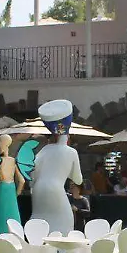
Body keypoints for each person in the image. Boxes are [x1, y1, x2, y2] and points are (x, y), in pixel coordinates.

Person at [30, 100, 83, 235]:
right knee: (65, 220)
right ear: (68, 136)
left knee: (39, 218)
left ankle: (36, 244)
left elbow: (32, 175)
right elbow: (78, 179)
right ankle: (61, 249)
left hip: (38, 190)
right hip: (55, 188)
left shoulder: (44, 150)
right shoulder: (71, 152)